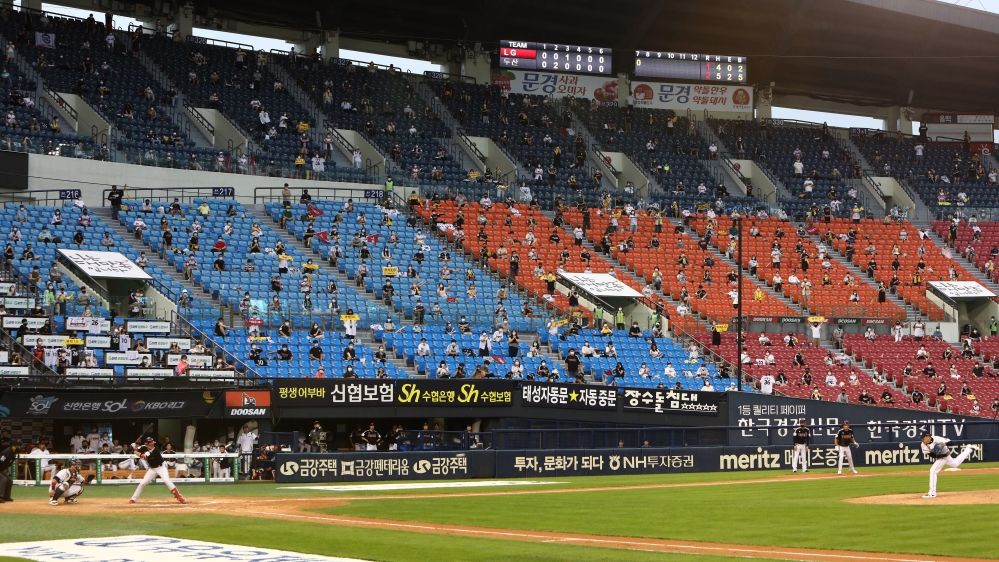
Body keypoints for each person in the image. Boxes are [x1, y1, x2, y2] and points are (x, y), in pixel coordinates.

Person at [919, 432, 979, 498]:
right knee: (955, 464)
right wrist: (944, 454)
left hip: (944, 454)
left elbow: (951, 442)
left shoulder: (937, 439)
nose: (922, 439)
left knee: (933, 471)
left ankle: (932, 493)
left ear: (928, 436)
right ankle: (969, 449)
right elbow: (932, 455)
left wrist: (943, 444)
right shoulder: (923, 445)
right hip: (943, 455)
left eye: (923, 437)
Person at [129, 437, 185, 504]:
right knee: (142, 483)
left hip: (161, 467)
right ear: (147, 444)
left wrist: (133, 451)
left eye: (153, 443)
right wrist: (132, 446)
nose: (152, 445)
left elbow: (145, 457)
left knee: (167, 480)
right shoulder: (144, 447)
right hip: (152, 469)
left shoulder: (156, 450)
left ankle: (179, 496)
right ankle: (133, 499)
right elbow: (136, 449)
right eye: (150, 444)